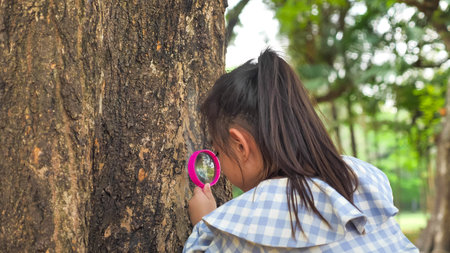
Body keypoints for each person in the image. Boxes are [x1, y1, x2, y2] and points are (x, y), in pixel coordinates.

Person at [183, 49, 418, 252]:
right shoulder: (359, 176)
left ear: (240, 145)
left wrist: (205, 224)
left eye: (219, 152)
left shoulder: (254, 216)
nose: (220, 165)